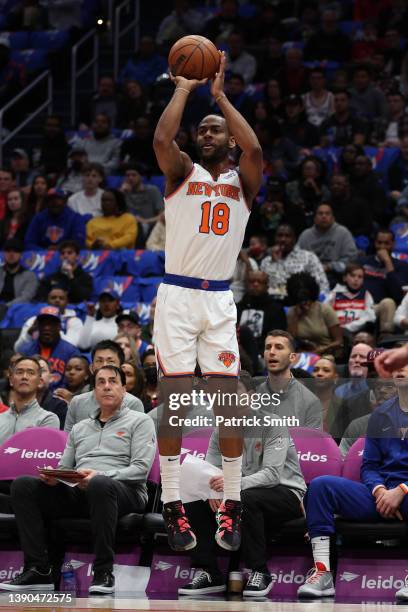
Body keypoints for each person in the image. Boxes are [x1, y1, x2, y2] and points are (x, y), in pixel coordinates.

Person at [152, 49, 263, 552]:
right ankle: (174, 505)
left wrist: (220, 97)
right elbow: (161, 138)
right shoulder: (182, 173)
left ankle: (232, 504)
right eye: (204, 129)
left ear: (230, 141)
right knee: (173, 399)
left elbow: (256, 149)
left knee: (229, 402)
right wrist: (184, 90)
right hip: (177, 293)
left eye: (217, 129)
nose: (208, 134)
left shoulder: (244, 182)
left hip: (218, 300)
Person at [0, 365, 156, 594]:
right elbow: (65, 467)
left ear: (124, 389)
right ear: (94, 391)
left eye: (112, 381)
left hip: (125, 491)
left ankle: (104, 572)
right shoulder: (80, 428)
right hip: (82, 489)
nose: (106, 386)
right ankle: (39, 568)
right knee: (24, 485)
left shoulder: (140, 421)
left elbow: (140, 470)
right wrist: (56, 478)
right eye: (100, 382)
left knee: (100, 484)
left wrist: (100, 475)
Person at [179, 372, 306, 597]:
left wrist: (231, 487)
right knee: (192, 498)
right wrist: (210, 491)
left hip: (285, 493)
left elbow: (271, 475)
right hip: (240, 491)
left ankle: (260, 570)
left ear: (251, 396)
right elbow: (209, 471)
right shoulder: (221, 429)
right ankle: (209, 572)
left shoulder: (273, 424)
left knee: (245, 498)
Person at [297, 363, 408, 601]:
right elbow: (369, 465)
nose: (400, 370)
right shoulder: (382, 414)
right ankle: (323, 573)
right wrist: (379, 491)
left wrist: (402, 490)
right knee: (321, 486)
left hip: (405, 492)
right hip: (381, 496)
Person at [64, 340, 144, 433]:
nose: (104, 365)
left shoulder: (133, 403)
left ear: (121, 368)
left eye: (110, 361)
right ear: (91, 368)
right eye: (99, 361)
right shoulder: (77, 403)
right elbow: (67, 440)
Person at [256, 330, 323, 429]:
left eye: (279, 347)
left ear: (292, 357)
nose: (272, 352)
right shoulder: (252, 392)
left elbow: (312, 443)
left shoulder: (310, 401)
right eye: (268, 347)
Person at [0, 357, 59, 445]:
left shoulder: (47, 419)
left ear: (39, 381)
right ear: (11, 380)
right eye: (19, 372)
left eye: (31, 373)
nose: (24, 377)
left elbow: (42, 453)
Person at [261, 224, 329, 300]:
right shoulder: (266, 262)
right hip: (274, 304)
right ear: (275, 238)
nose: (283, 239)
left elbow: (323, 285)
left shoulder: (308, 257)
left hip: (303, 303)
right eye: (280, 236)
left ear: (294, 239)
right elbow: (266, 288)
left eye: (287, 236)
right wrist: (275, 263)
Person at [18, 306, 80, 389]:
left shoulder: (71, 352)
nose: (47, 328)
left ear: (59, 327)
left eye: (51, 324)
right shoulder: (26, 351)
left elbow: (77, 382)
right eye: (43, 324)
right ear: (38, 326)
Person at [359, 229, 408, 334]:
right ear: (375, 243)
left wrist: (388, 263)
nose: (382, 247)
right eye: (379, 243)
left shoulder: (402, 266)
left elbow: (399, 294)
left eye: (386, 243)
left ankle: (386, 341)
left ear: (393, 244)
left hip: (384, 307)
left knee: (388, 303)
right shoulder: (362, 262)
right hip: (362, 305)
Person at [287, 272, 343, 358]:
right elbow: (291, 340)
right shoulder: (292, 312)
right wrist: (296, 317)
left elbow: (339, 341)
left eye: (307, 300)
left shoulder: (325, 310)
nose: (305, 303)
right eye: (301, 301)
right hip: (301, 355)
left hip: (325, 354)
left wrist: (320, 350)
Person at [297, 203, 357, 279]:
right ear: (314, 218)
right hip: (311, 277)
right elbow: (297, 260)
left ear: (333, 218)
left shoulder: (343, 232)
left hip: (337, 277)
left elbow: (352, 259)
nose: (324, 216)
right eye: (320, 213)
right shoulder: (305, 235)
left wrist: (330, 267)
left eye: (327, 213)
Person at [15, 286, 83, 352]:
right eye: (53, 298)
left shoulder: (74, 321)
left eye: (61, 298)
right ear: (47, 301)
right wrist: (28, 334)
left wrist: (54, 330)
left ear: (67, 302)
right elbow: (17, 349)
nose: (57, 300)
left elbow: (73, 345)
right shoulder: (33, 320)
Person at [236, 270, 286, 355]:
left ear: (266, 286)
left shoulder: (276, 309)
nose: (255, 284)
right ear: (246, 285)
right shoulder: (238, 307)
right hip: (237, 352)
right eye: (252, 282)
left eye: (260, 282)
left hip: (264, 354)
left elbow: (277, 337)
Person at [36, 240, 93, 304]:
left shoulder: (85, 277)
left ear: (77, 256)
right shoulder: (52, 277)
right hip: (53, 309)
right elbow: (40, 297)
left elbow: (83, 298)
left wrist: (71, 276)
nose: (65, 256)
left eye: (69, 253)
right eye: (62, 253)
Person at [120, 163, 164, 244]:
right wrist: (121, 194)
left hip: (151, 226)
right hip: (129, 228)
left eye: (134, 175)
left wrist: (145, 221)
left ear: (141, 177)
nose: (130, 178)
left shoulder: (152, 190)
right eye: (128, 175)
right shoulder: (123, 192)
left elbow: (162, 216)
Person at [328, 262, 376, 334]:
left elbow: (370, 318)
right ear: (344, 278)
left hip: (358, 332)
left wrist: (348, 327)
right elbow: (326, 315)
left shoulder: (366, 295)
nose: (356, 279)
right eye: (352, 276)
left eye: (360, 277)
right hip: (337, 332)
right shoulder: (334, 294)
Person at [0, 239, 38, 318]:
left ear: (21, 255)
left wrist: (5, 306)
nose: (11, 254)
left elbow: (26, 297)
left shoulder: (30, 276)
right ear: (3, 254)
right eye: (8, 251)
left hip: (18, 310)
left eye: (15, 251)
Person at [311, 356, 342, 435]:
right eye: (315, 370)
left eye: (326, 370)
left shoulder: (343, 406)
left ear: (335, 378)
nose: (319, 373)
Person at [35, 357, 68, 429]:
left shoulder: (60, 406)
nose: (39, 375)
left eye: (43, 370)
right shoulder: (17, 405)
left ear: (51, 377)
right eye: (32, 371)